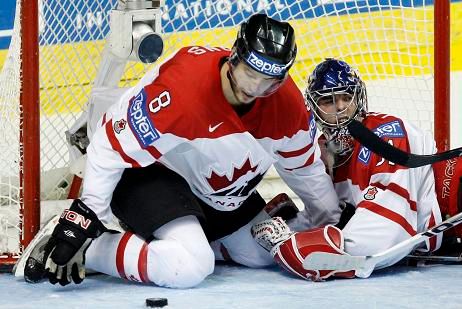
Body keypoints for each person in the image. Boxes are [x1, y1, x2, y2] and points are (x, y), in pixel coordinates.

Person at [18, 14, 341, 288]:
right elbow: (109, 146)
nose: (254, 89)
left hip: (213, 186)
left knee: (260, 253)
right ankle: (94, 247)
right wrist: (87, 217)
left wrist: (333, 221)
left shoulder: (286, 106)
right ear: (234, 57)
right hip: (148, 174)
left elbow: (305, 169)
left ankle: (168, 242)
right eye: (250, 74)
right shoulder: (180, 91)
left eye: (269, 81)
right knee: (189, 268)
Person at [252, 58, 462, 281]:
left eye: (346, 96)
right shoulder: (325, 158)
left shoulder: (386, 133)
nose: (341, 107)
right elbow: (330, 220)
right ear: (314, 107)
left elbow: (385, 234)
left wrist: (294, 243)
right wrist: (290, 228)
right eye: (328, 100)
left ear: (358, 98)